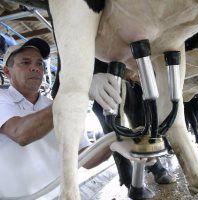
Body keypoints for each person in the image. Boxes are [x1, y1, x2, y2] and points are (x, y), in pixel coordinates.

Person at [0, 38, 121, 197]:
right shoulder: (3, 99)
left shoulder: (54, 105)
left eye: (39, 64)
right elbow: (21, 133)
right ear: (7, 72)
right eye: (25, 62)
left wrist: (115, 140)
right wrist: (76, 94)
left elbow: (86, 159)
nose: (35, 68)